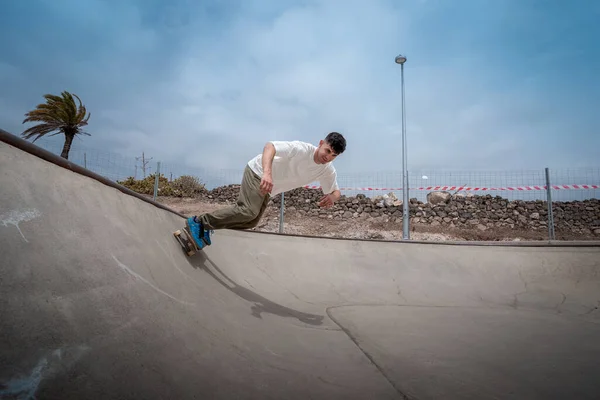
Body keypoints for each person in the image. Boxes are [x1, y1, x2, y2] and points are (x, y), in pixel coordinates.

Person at [186, 131, 347, 248]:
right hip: (258, 172)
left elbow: (336, 191)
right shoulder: (301, 149)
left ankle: (208, 226)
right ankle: (199, 222)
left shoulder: (328, 170)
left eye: (333, 155)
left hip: (269, 188)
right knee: (247, 211)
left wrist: (332, 198)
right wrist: (267, 174)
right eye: (327, 150)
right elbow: (270, 146)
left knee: (251, 221)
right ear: (320, 143)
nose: (328, 156)